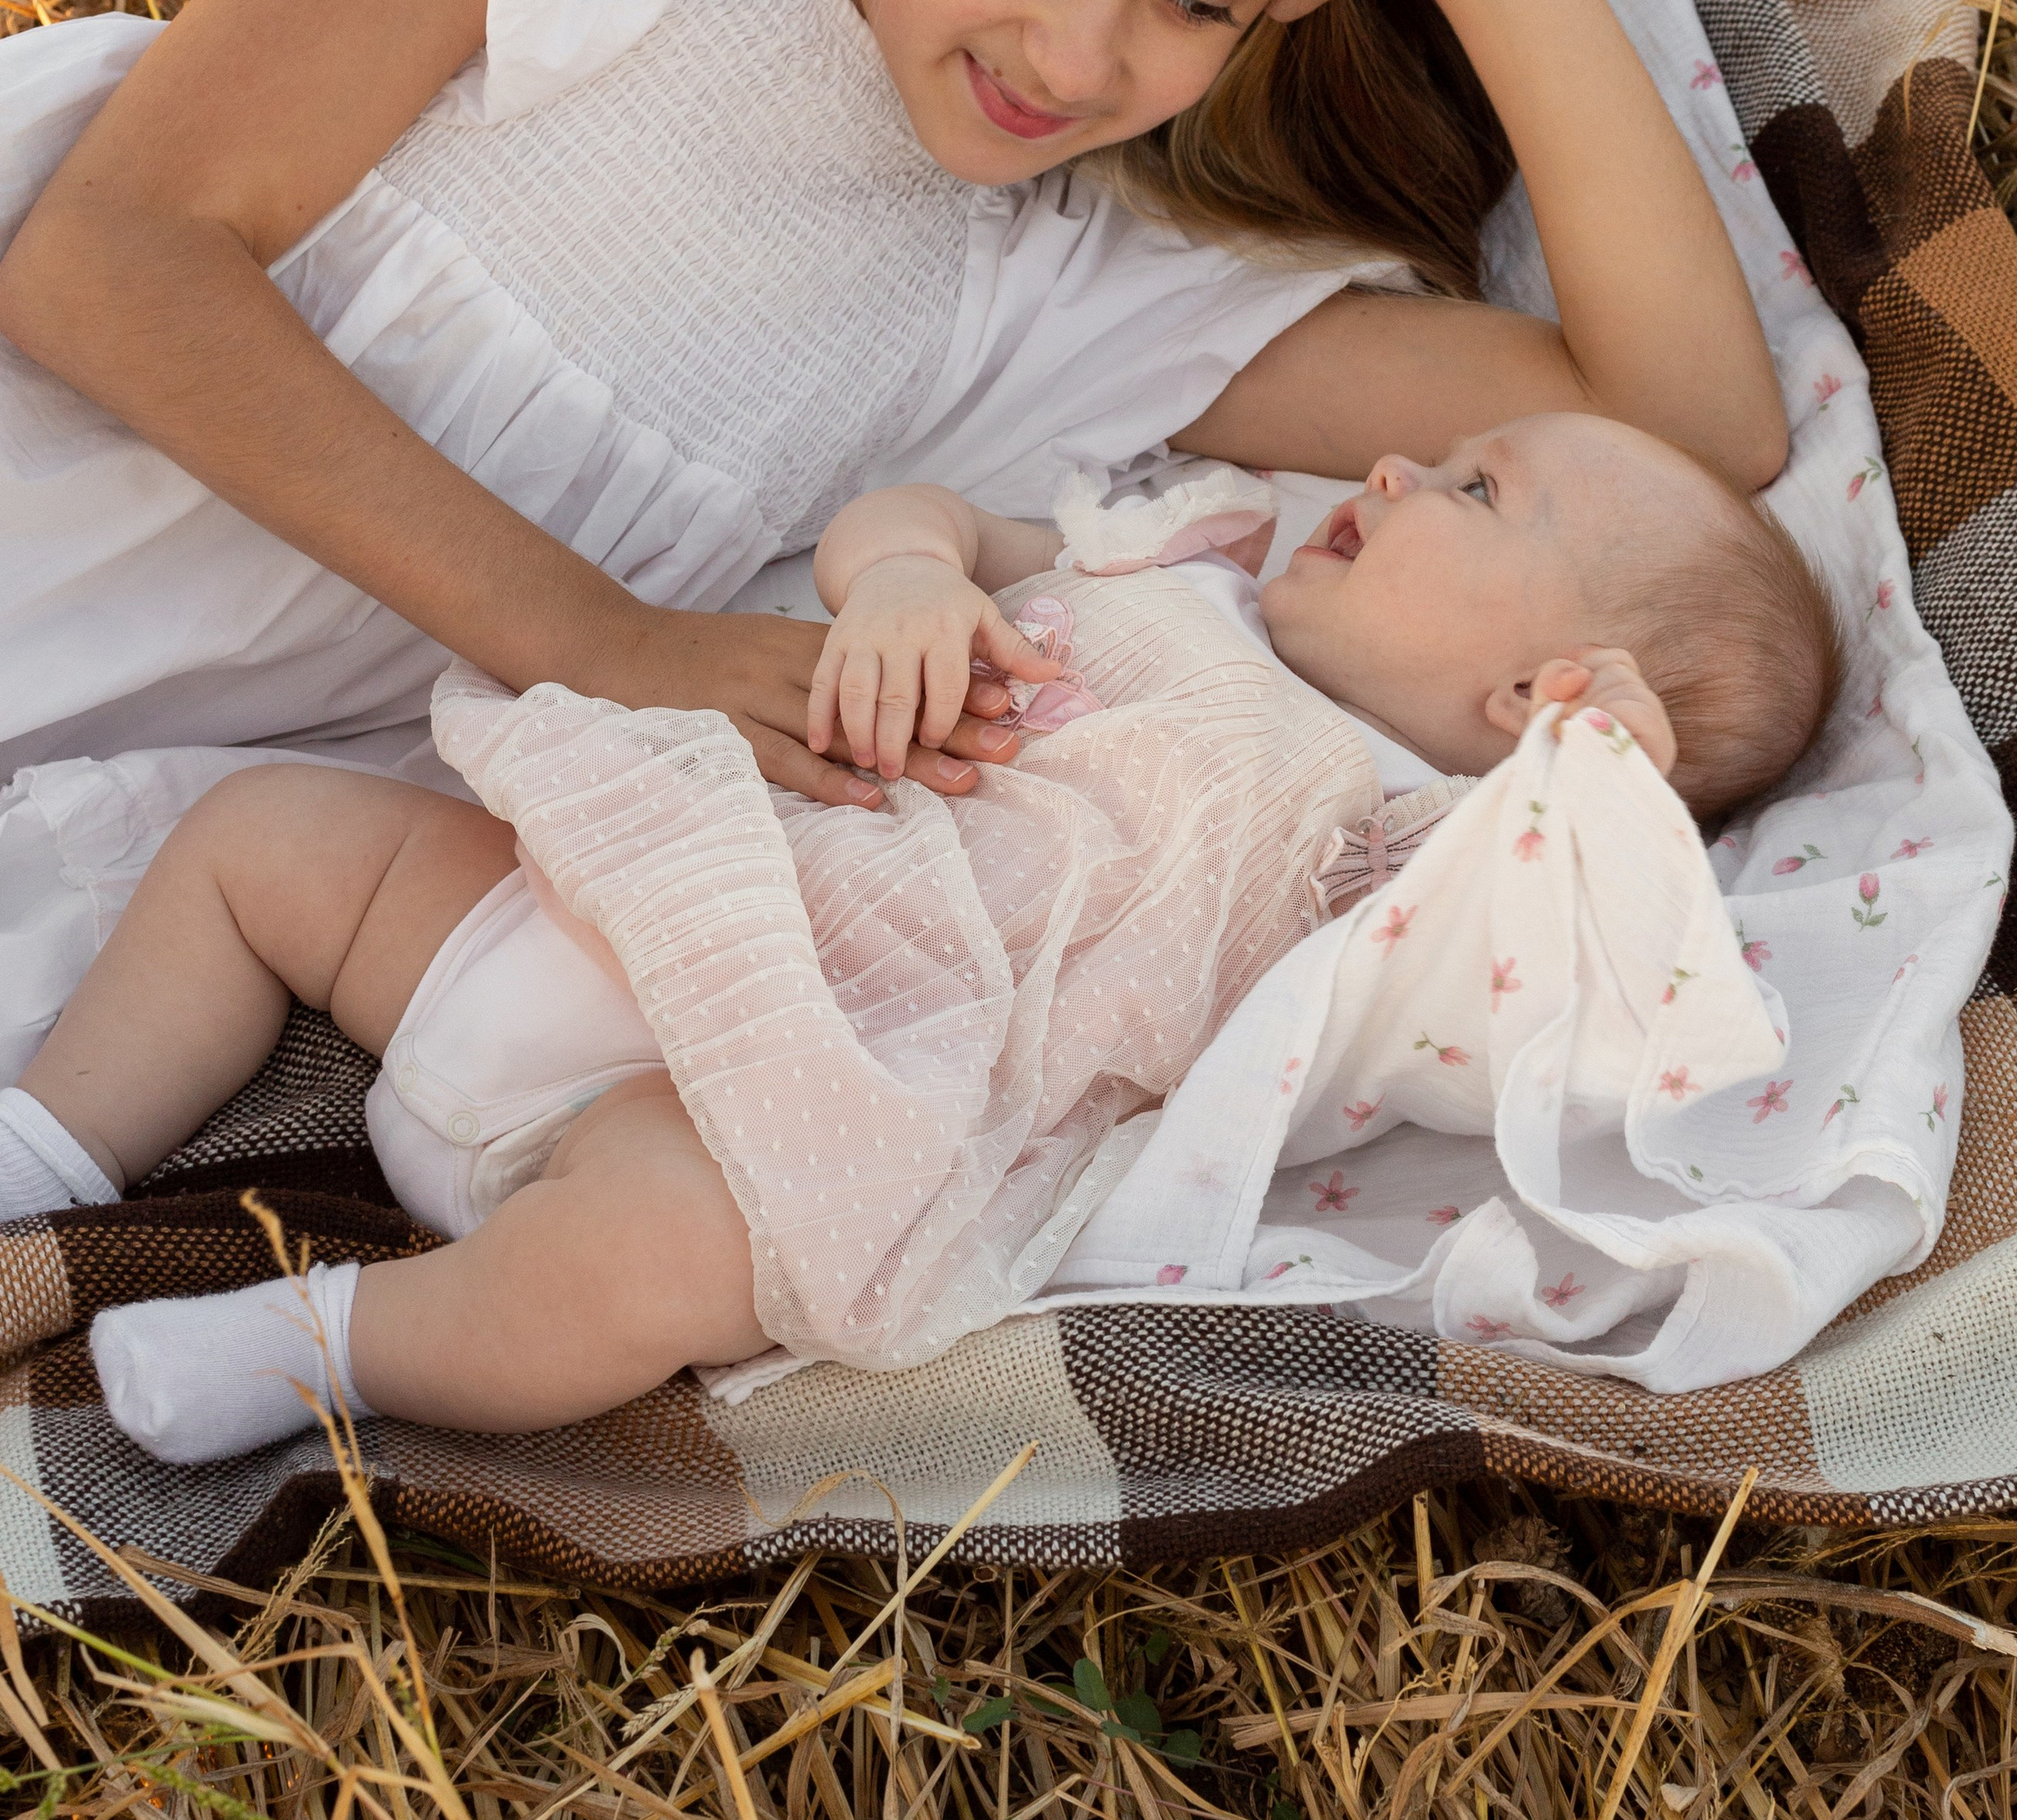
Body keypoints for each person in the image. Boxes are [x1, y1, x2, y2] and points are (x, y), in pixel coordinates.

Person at [0, 0, 1785, 828]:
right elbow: (109, 263)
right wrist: (613, 648)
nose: (1074, 55)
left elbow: (1682, 437)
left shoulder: (1055, 290)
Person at [12, 407, 1839, 1465]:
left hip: (801, 1088)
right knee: (262, 842)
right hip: (640, 895)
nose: (1390, 464)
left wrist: (1605, 763)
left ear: (1539, 686)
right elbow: (937, 514)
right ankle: (52, 1141)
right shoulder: (1184, 548)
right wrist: (906, 576)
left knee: (655, 1267)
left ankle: (326, 1347)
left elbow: (1590, 952)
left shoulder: (1415, 845)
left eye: (1472, 490)